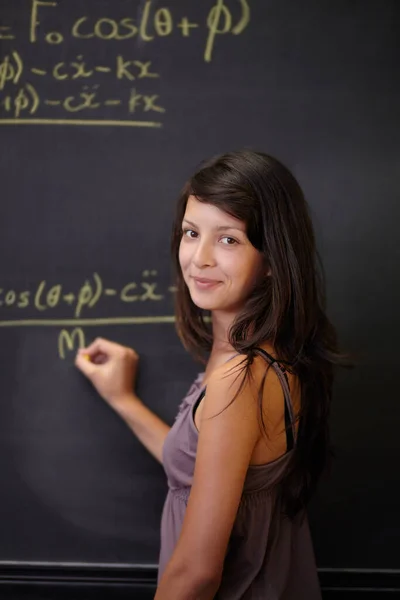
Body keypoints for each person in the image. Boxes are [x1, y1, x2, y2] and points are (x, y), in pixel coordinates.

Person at [75, 150, 343, 599]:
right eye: (191, 232)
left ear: (273, 259)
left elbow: (197, 573)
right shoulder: (255, 359)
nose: (199, 257)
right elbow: (202, 472)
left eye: (229, 240)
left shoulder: (240, 379)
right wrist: (123, 399)